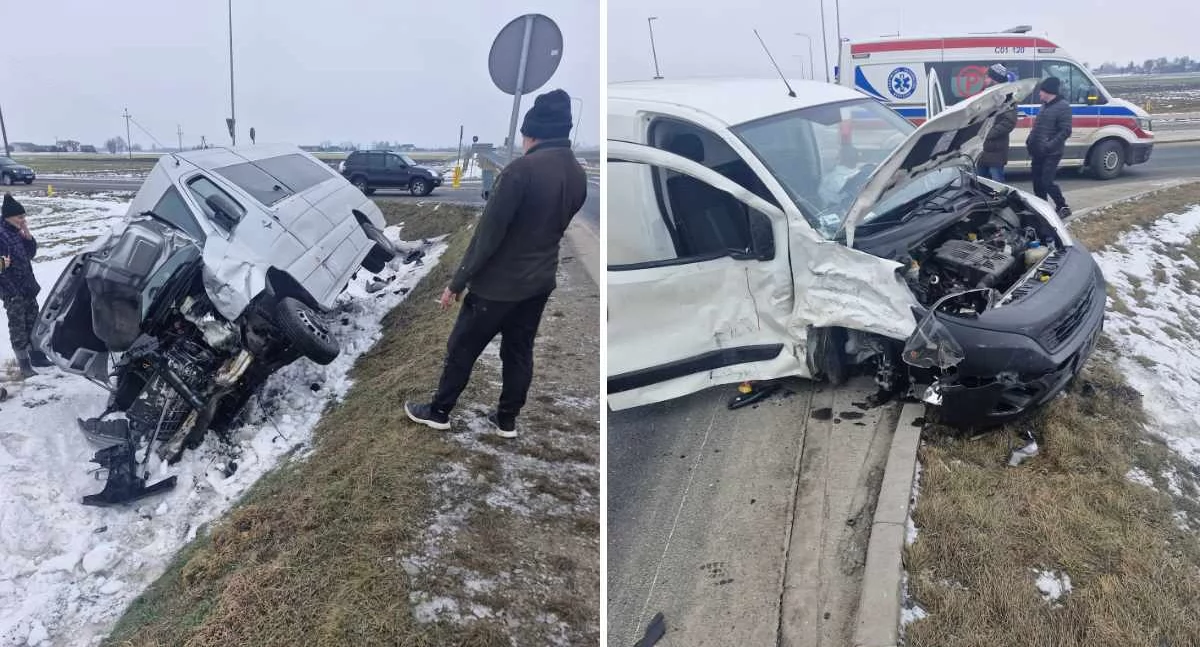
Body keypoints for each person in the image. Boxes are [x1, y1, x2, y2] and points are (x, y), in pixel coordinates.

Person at [405, 89, 587, 438]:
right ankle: (507, 420)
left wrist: (456, 284)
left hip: (498, 287)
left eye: (523, 136)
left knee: (462, 348)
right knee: (519, 352)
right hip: (539, 283)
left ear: (531, 134)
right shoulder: (576, 173)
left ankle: (439, 411)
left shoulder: (521, 171)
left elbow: (487, 236)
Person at [0, 194, 51, 378]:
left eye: (24, 217)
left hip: (27, 287)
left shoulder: (15, 232)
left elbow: (30, 254)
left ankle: (37, 357)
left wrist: (28, 236)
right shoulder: (1, 235)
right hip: (12, 291)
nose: (23, 220)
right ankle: (24, 365)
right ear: (8, 217)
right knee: (18, 327)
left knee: (33, 322)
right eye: (20, 217)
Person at [1026, 76, 1073, 218]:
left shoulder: (1063, 107)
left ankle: (1063, 206)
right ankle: (1043, 209)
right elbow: (1038, 127)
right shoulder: (1044, 106)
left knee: (1046, 182)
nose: (1039, 94)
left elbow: (1066, 131)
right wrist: (1030, 140)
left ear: (1049, 91)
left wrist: (1049, 146)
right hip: (1037, 151)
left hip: (1052, 153)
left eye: (1041, 91)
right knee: (1037, 183)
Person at [977, 63, 1018, 182]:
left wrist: (986, 134)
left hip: (996, 150)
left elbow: (1009, 122)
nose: (985, 79)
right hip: (981, 150)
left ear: (995, 80)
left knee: (997, 185)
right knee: (980, 184)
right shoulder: (985, 93)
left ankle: (998, 201)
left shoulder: (1008, 97)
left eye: (987, 77)